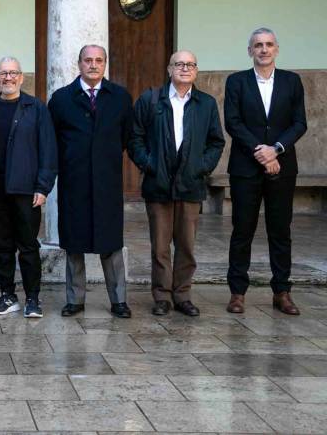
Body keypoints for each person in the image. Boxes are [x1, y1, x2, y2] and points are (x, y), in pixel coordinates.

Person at [129, 50, 225, 317]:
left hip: (190, 185)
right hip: (158, 185)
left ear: (196, 70)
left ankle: (183, 295)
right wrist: (149, 164)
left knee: (186, 245)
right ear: (169, 69)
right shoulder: (150, 100)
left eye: (190, 64)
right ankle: (162, 296)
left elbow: (216, 141)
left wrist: (202, 167)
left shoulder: (205, 103)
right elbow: (134, 138)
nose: (185, 68)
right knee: (160, 247)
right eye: (179, 64)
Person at [224, 28, 307, 315]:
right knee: (242, 230)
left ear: (277, 49)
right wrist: (262, 151)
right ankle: (237, 293)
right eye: (258, 45)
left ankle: (282, 291)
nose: (263, 49)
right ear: (250, 50)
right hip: (246, 168)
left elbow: (300, 123)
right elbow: (233, 122)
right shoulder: (236, 82)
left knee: (280, 230)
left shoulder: (292, 82)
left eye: (269, 44)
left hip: (282, 167)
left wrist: (277, 150)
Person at [48, 45, 134, 318]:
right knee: (74, 243)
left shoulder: (120, 97)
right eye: (88, 60)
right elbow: (53, 141)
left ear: (105, 63)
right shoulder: (61, 99)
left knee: (111, 243)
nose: (93, 65)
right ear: (79, 63)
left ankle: (118, 300)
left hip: (107, 182)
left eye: (98, 60)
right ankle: (75, 300)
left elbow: (125, 138)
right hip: (74, 181)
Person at [0, 56, 57, 318]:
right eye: (3, 73)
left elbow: (48, 151)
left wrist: (43, 188)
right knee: (2, 245)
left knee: (28, 245)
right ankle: (7, 295)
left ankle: (33, 298)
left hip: (26, 191)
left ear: (21, 77)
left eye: (13, 73)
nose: (8, 78)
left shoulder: (36, 108)